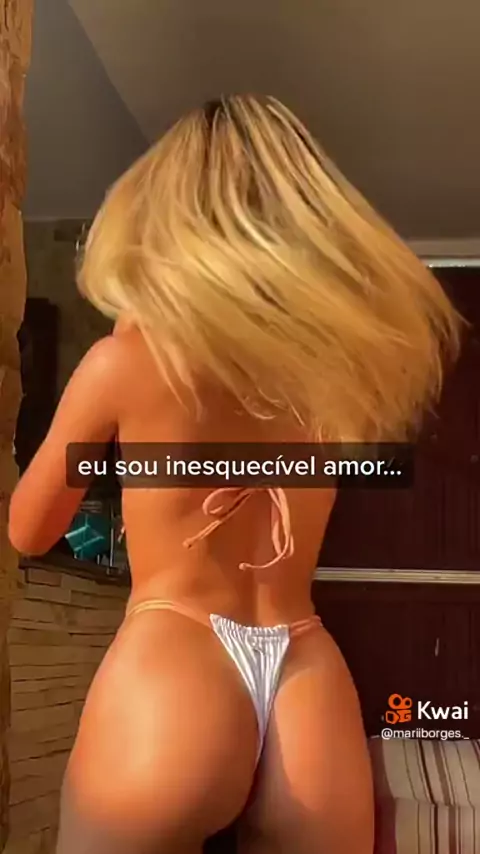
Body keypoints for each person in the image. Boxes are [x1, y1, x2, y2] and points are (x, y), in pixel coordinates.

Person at [8, 95, 461, 854]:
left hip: (175, 657)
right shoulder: (331, 375)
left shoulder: (126, 361)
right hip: (305, 671)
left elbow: (30, 529)